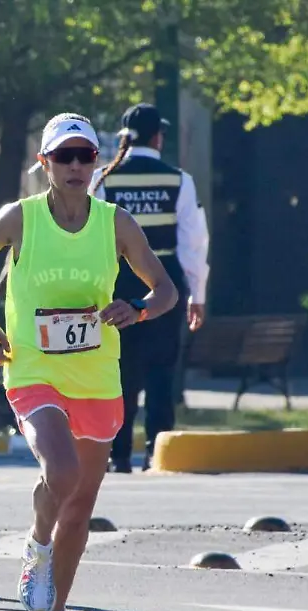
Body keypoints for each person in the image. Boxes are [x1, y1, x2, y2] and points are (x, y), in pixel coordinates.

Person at [0, 113, 177, 611]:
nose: (77, 166)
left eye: (86, 156)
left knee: (79, 504)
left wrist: (138, 308)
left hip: (99, 375)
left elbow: (166, 289)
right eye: (65, 157)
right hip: (32, 368)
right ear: (46, 164)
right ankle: (37, 547)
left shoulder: (116, 222)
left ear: (97, 164)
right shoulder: (21, 218)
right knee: (61, 473)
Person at [91, 103, 210, 473]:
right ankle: (158, 452)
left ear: (125, 137)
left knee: (119, 369)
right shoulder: (179, 180)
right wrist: (197, 295)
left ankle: (119, 453)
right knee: (162, 369)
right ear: (158, 136)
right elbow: (194, 243)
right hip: (164, 280)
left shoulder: (104, 178)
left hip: (118, 279)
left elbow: (90, 240)